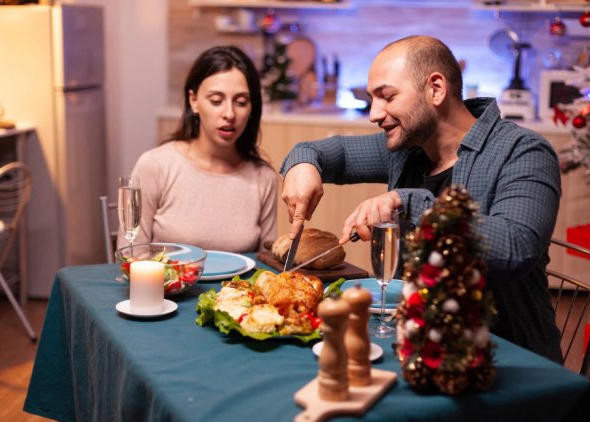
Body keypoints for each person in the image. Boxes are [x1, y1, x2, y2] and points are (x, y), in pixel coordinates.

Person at [280, 35, 563, 362]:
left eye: (387, 96)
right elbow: (324, 152)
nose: (374, 113)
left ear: (436, 89)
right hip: (417, 347)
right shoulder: (410, 148)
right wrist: (303, 164)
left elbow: (517, 248)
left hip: (507, 360)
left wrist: (410, 203)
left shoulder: (524, 152)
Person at [117, 46, 278, 253]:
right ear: (194, 101)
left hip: (237, 287)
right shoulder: (155, 166)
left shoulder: (263, 178)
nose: (229, 113)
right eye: (216, 101)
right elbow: (131, 255)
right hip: (164, 286)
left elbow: (266, 265)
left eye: (240, 102)